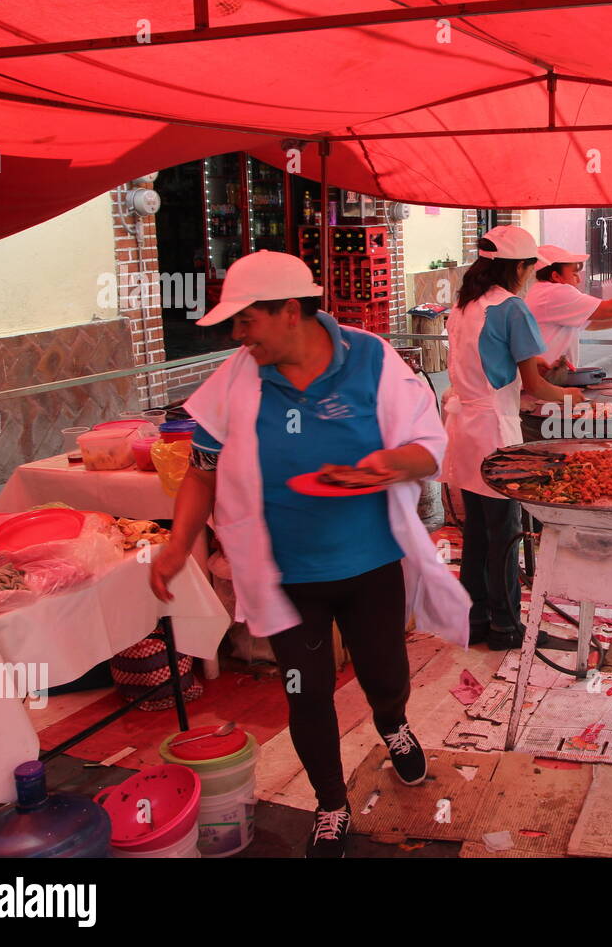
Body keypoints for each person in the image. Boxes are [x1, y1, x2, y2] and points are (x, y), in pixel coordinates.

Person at [147, 251, 469, 857]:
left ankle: (393, 723)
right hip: (287, 576)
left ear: (290, 311)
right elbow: (201, 473)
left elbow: (429, 445)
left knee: (384, 674)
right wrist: (175, 544)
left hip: (370, 565)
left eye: (247, 320)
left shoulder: (372, 360)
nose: (238, 336)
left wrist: (387, 465)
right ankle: (330, 804)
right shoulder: (239, 377)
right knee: (305, 691)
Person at [443, 226, 583, 651]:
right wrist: (573, 396)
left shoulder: (463, 305)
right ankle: (506, 626)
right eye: (528, 268)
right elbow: (535, 388)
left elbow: (504, 361)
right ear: (519, 267)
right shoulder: (512, 307)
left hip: (462, 425)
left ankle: (476, 620)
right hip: (493, 428)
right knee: (503, 532)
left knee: (478, 533)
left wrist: (545, 369)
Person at [527, 244, 612, 366]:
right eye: (574, 274)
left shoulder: (540, 292)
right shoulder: (555, 292)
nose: (579, 279)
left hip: (552, 379)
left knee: (570, 396)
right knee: (567, 397)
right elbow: (609, 310)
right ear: (556, 276)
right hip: (547, 382)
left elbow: (592, 322)